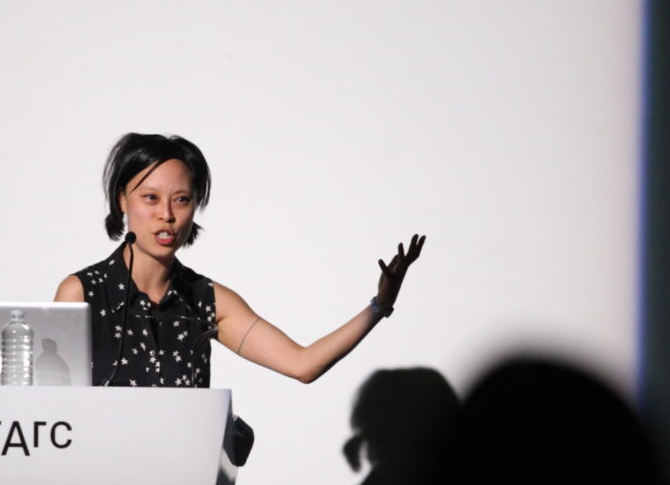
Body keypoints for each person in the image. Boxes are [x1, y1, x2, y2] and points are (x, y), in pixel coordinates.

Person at [54, 133, 424, 388]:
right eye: (150, 198)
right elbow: (47, 412)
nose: (166, 214)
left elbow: (302, 364)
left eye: (181, 200)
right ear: (122, 200)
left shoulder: (207, 300)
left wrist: (380, 306)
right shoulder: (82, 294)